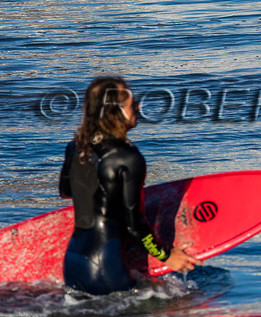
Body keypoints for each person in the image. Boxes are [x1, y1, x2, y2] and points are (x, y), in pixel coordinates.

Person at [60, 76, 198, 295]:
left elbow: (67, 192)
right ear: (114, 113)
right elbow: (135, 225)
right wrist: (167, 256)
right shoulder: (127, 158)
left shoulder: (75, 147)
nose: (139, 107)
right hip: (106, 266)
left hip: (73, 262)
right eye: (132, 104)